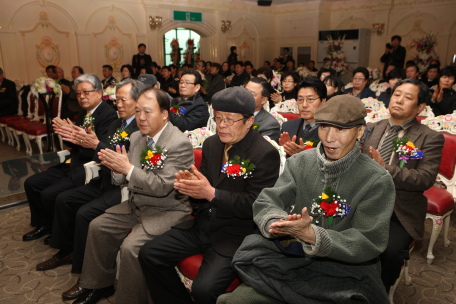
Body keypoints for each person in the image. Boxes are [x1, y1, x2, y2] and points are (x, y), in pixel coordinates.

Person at [219, 95, 395, 304]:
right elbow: (268, 200)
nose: (329, 137)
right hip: (292, 259)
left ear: (359, 131)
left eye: (340, 129)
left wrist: (314, 236)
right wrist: (279, 222)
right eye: (324, 127)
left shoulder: (376, 179)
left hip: (346, 270)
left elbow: (369, 240)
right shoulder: (301, 162)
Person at [138, 87, 281, 304]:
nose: (222, 125)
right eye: (218, 118)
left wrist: (211, 193)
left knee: (204, 290)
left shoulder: (264, 153)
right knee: (149, 254)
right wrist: (190, 188)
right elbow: (202, 190)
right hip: (202, 226)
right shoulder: (212, 144)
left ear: (249, 120)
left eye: (229, 120)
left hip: (234, 236)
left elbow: (256, 205)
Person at [64, 87, 194, 304]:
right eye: (138, 111)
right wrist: (117, 170)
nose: (141, 118)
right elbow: (122, 179)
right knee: (98, 226)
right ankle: (98, 285)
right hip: (137, 205)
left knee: (131, 248)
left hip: (167, 210)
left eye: (147, 111)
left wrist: (128, 169)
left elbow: (163, 186)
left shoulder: (178, 143)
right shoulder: (137, 137)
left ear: (164, 114)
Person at [35, 80, 143, 280]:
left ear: (137, 100)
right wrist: (82, 139)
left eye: (123, 100)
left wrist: (96, 143)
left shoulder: (140, 126)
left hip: (120, 186)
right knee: (63, 200)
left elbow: (125, 161)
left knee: (84, 214)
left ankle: (84, 271)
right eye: (116, 99)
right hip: (103, 178)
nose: (118, 104)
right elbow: (96, 156)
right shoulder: (116, 123)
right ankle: (68, 249)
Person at [362, 78, 444, 292]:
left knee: (389, 252)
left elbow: (424, 178)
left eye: (408, 97)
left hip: (398, 211)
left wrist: (385, 168)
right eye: (397, 94)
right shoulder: (371, 128)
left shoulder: (429, 138)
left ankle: (376, 293)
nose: (399, 100)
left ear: (420, 107)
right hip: (363, 203)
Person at [22, 74, 118, 242]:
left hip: (88, 166)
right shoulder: (83, 113)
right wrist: (67, 134)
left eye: (86, 92)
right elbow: (75, 145)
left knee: (49, 194)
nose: (82, 97)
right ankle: (45, 223)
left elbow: (100, 148)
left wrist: (75, 135)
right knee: (31, 183)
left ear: (99, 93)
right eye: (78, 93)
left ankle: (59, 229)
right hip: (73, 162)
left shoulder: (108, 115)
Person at [279, 77, 327, 157]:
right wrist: (283, 153)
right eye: (300, 99)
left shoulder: (330, 130)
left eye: (310, 99)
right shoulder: (287, 126)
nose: (304, 105)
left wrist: (303, 156)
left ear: (323, 101)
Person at [246, 77, 280, 142]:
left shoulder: (270, 124)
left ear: (263, 100)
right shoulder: (234, 113)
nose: (246, 96)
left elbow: (261, 150)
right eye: (245, 91)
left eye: (252, 94)